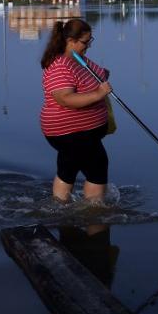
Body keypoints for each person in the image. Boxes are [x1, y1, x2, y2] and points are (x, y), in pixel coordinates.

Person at [39, 18, 112, 203]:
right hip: (70, 132)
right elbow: (65, 98)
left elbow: (92, 74)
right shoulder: (59, 65)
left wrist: (103, 74)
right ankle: (93, 212)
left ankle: (61, 209)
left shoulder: (77, 59)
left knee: (69, 168)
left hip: (82, 132)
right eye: (85, 42)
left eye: (90, 41)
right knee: (97, 167)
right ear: (71, 41)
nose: (88, 46)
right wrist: (98, 94)